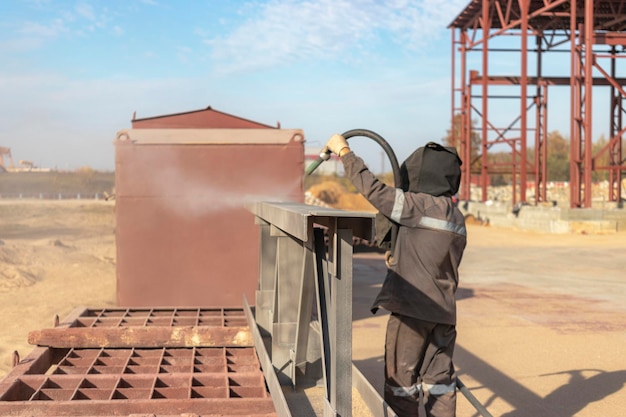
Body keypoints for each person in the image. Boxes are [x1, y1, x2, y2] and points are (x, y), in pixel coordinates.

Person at [323, 134, 467, 417]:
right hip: (444, 314)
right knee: (440, 383)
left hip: (412, 310)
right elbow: (426, 248)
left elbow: (374, 190)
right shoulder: (455, 216)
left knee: (401, 383)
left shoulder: (417, 206)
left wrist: (344, 151)